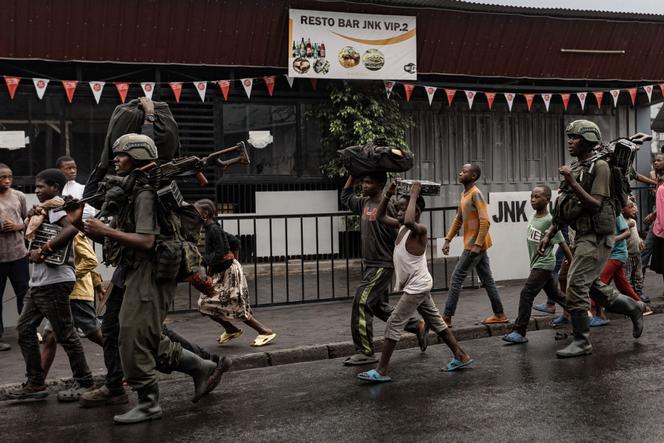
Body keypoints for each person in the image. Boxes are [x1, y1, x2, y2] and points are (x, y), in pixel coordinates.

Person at [74, 134, 226, 424]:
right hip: (136, 269)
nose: (115, 159)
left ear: (138, 157)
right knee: (134, 334)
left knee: (134, 334)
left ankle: (149, 402)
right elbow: (123, 237)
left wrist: (104, 231)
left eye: (121, 154)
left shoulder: (145, 192)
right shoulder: (132, 189)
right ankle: (200, 367)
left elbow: (145, 240)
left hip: (151, 270)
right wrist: (83, 225)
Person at [539, 120, 644, 359]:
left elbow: (596, 204)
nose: (570, 142)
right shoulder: (578, 166)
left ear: (587, 141)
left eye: (575, 138)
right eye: (569, 137)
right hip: (583, 235)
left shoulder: (601, 167)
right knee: (595, 288)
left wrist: (572, 182)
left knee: (575, 284)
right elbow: (566, 206)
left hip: (597, 236)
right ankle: (634, 307)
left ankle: (582, 341)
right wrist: (549, 232)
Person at [357, 181, 472, 383]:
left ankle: (381, 370)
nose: (399, 213)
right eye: (399, 210)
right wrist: (387, 195)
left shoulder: (420, 229)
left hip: (417, 287)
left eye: (402, 209)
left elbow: (409, 219)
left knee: (393, 323)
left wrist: (413, 195)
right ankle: (461, 355)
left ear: (416, 211)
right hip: (419, 285)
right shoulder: (402, 227)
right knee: (437, 323)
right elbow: (380, 216)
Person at [7, 169, 95, 401]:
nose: (36, 191)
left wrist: (45, 250)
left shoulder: (56, 207)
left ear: (56, 187)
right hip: (39, 282)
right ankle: (36, 383)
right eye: (35, 187)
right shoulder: (44, 210)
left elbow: (71, 228)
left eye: (41, 187)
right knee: (25, 330)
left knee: (65, 333)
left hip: (55, 282)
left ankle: (85, 381)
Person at [340, 173, 426, 366]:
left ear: (379, 185)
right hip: (370, 264)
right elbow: (345, 197)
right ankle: (417, 325)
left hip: (382, 264)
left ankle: (365, 351)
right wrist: (353, 174)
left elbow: (408, 222)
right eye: (363, 182)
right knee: (377, 306)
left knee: (361, 302)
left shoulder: (391, 206)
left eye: (368, 182)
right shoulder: (364, 203)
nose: (364, 185)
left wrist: (407, 195)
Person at [503, 185, 572, 344]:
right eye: (532, 197)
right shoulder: (535, 216)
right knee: (555, 295)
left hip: (544, 264)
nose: (533, 200)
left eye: (537, 197)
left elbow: (563, 243)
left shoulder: (549, 221)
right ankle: (581, 312)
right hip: (537, 264)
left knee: (526, 294)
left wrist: (571, 261)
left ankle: (520, 331)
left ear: (547, 200)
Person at [442, 164, 508, 326]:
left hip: (474, 246)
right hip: (476, 245)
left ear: (473, 176)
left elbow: (485, 221)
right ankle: (500, 314)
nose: (459, 173)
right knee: (488, 280)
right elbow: (458, 219)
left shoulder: (476, 194)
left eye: (464, 171)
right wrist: (448, 239)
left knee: (456, 278)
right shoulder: (465, 194)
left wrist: (477, 245)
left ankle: (447, 316)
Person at [40, 232, 104, 377]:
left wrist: (69, 276)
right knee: (49, 337)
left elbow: (90, 260)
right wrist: (98, 285)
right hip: (64, 293)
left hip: (77, 294)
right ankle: (37, 382)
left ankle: (124, 365)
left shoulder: (73, 233)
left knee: (95, 333)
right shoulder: (59, 231)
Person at [596, 214, 652, 322]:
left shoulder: (616, 214)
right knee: (623, 285)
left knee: (599, 282)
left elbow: (626, 232)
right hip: (612, 254)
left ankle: (595, 312)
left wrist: (612, 239)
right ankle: (641, 307)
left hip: (616, 255)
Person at [0, 163, 28, 351]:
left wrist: (18, 227)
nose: (7, 180)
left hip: (19, 254)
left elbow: (29, 220)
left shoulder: (19, 196)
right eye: (2, 177)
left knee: (24, 294)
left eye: (9, 176)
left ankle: (27, 331)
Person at [56, 155, 96, 220]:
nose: (73, 171)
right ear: (59, 170)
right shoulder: (54, 189)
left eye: (74, 168)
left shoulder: (83, 189)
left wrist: (65, 212)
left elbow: (90, 213)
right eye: (68, 168)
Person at [646, 153, 664, 295]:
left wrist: (653, 217)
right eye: (655, 160)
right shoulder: (658, 179)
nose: (655, 162)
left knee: (646, 251)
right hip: (658, 222)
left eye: (659, 160)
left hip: (660, 225)